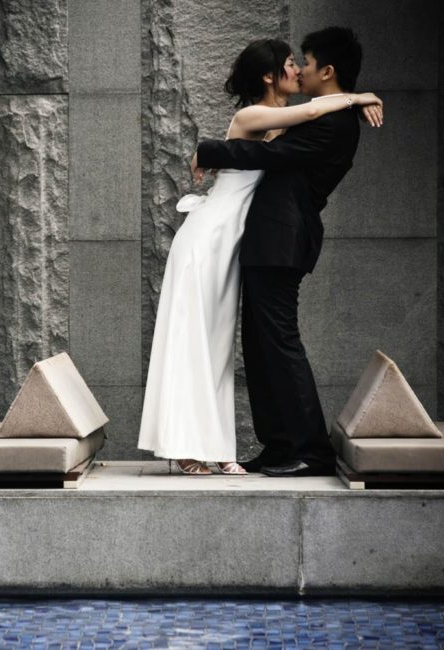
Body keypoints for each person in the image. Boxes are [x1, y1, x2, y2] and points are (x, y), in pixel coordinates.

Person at [139, 36, 382, 475]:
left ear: (327, 72)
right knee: (257, 346)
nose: (300, 70)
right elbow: (273, 142)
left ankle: (309, 451)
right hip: (241, 240)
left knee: (276, 342)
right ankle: (278, 446)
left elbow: (271, 153)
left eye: (304, 63)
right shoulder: (296, 116)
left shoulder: (335, 121)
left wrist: (209, 149)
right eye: (294, 63)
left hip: (277, 241)